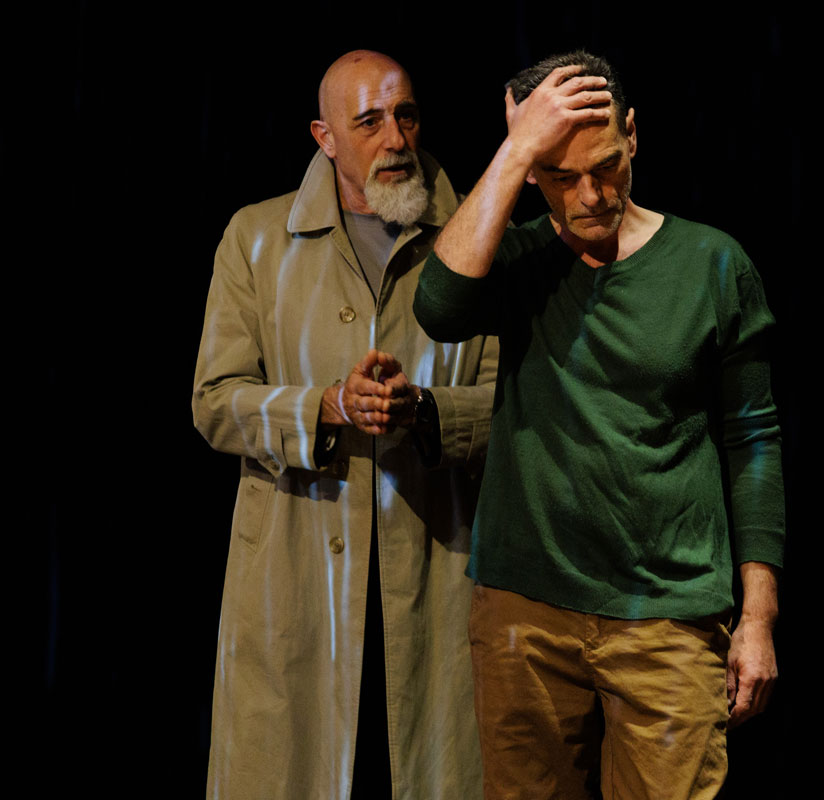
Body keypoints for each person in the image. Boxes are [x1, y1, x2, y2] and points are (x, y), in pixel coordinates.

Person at [413, 51, 784, 799]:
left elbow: (753, 441)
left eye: (607, 166)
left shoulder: (712, 263)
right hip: (525, 613)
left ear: (633, 135)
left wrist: (758, 616)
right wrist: (516, 150)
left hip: (667, 618)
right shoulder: (522, 262)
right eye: (559, 176)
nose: (591, 195)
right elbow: (439, 308)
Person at [193, 50, 496, 800]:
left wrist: (424, 411)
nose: (396, 138)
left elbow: (517, 409)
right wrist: (325, 406)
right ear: (324, 137)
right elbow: (215, 401)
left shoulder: (478, 237)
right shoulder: (255, 238)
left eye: (407, 115)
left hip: (436, 575)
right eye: (369, 122)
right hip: (298, 585)